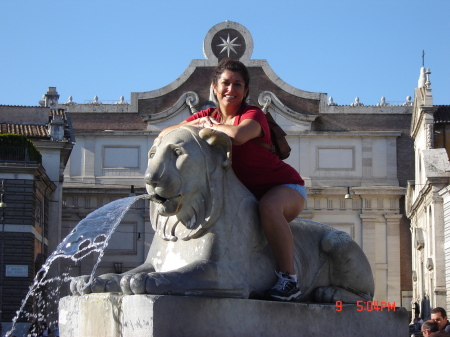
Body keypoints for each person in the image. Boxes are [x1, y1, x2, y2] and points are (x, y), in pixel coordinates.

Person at [155, 58, 306, 301]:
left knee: (270, 207)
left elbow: (237, 135)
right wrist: (199, 123)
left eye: (238, 84)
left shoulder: (253, 114)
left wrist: (209, 127)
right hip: (248, 196)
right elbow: (166, 134)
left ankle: (290, 281)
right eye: (225, 83)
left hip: (286, 188)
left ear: (246, 90)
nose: (231, 89)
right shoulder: (208, 115)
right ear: (214, 87)